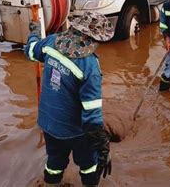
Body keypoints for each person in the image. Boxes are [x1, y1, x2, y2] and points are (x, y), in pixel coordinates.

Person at [25, 12, 114, 187]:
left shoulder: (51, 42)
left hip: (49, 124)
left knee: (54, 162)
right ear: (94, 38)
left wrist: (34, 32)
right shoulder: (89, 66)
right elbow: (91, 117)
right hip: (76, 131)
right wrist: (103, 147)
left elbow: (30, 51)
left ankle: (51, 183)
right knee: (89, 166)